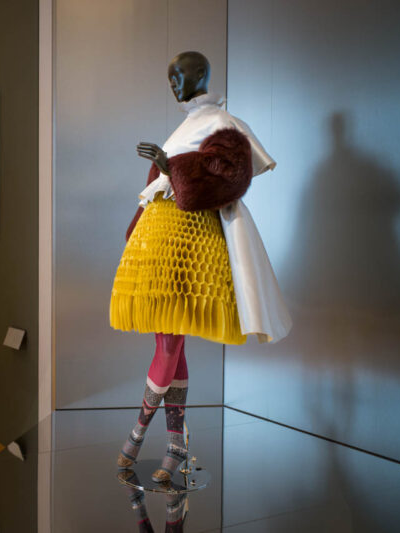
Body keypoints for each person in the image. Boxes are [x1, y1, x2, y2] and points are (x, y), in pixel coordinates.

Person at [112, 51, 291, 483]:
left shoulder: (223, 124)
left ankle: (137, 434)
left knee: (170, 342)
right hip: (160, 241)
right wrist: (156, 184)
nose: (174, 84)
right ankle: (175, 445)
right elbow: (160, 184)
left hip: (191, 241)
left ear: (201, 74)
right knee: (171, 340)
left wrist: (168, 164)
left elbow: (229, 177)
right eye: (170, 78)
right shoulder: (185, 127)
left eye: (180, 75)